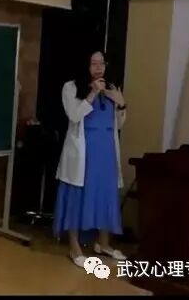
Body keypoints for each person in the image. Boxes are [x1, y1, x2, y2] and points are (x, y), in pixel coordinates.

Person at [53, 49, 128, 268]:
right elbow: (74, 115)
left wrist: (121, 104)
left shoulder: (111, 88)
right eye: (93, 63)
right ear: (85, 66)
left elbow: (119, 124)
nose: (98, 68)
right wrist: (92, 94)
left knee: (105, 195)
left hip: (106, 151)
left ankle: (103, 244)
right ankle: (74, 246)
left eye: (101, 63)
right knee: (78, 198)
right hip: (83, 153)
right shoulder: (71, 87)